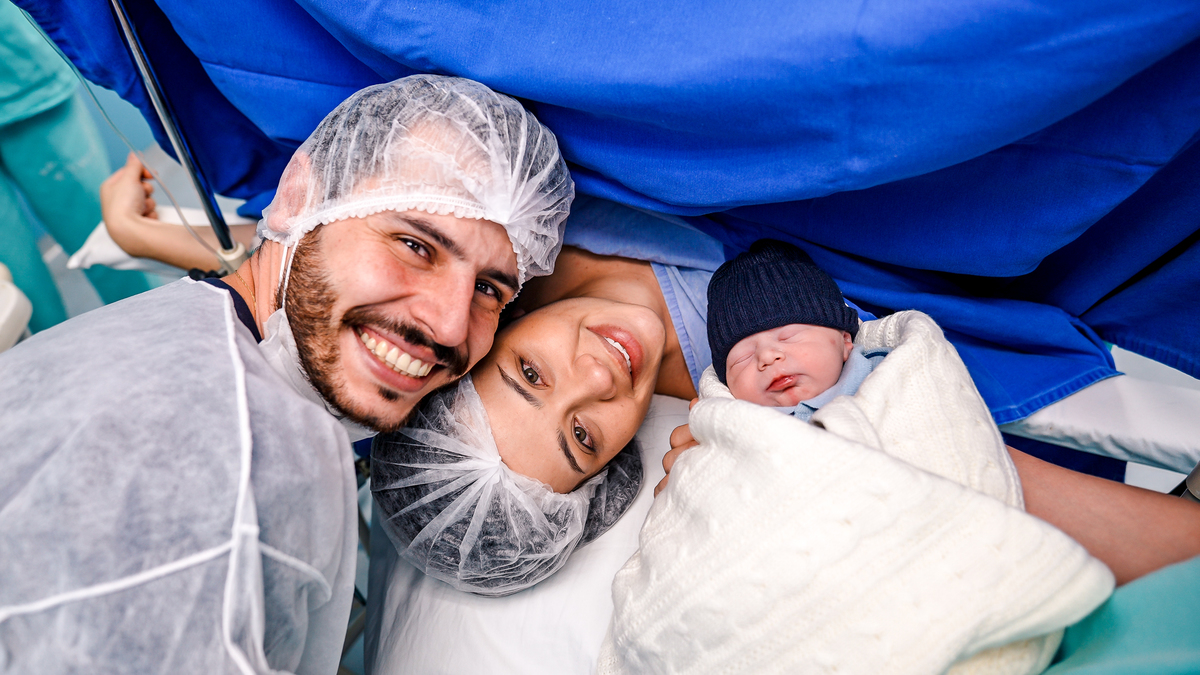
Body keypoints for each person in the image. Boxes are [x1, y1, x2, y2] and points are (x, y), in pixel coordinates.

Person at [0, 74, 573, 672]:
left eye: (488, 289)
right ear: (300, 197)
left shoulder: (167, 334)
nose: (450, 326)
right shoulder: (268, 466)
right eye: (415, 246)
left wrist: (140, 235)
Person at [0, 2, 151, 333]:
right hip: (21, 72)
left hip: (20, 71)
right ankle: (48, 360)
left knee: (111, 238)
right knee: (14, 294)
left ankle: (162, 330)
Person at [706, 239, 886, 419]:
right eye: (742, 358)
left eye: (788, 337)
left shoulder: (886, 373)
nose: (767, 356)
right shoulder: (735, 422)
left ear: (845, 340)